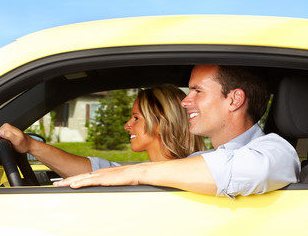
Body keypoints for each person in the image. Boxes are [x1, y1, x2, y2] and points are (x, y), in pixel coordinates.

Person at [54, 65, 300, 198]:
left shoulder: (276, 151)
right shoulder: (198, 163)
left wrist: (139, 173)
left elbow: (248, 170)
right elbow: (115, 172)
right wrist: (30, 145)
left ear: (234, 99)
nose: (185, 101)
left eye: (197, 91)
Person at [0, 84, 205, 178]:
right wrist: (29, 144)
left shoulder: (201, 167)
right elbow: (92, 168)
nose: (126, 125)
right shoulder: (148, 171)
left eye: (136, 118)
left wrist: (130, 175)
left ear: (162, 123)